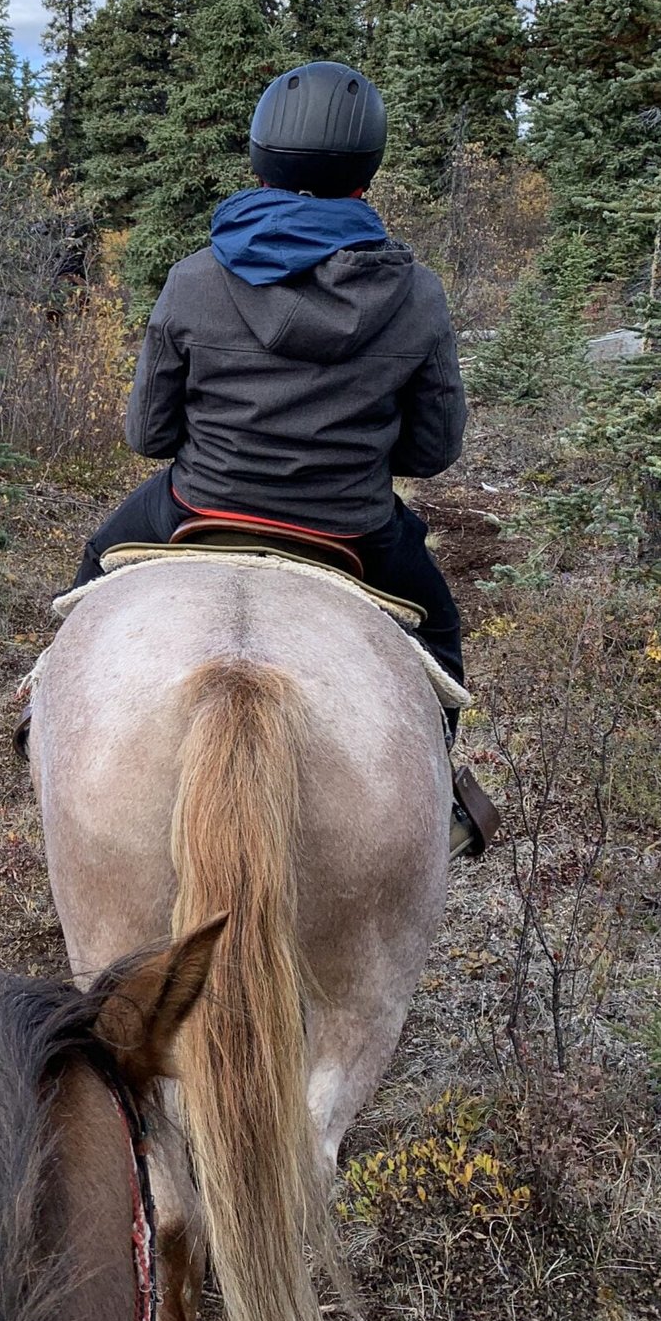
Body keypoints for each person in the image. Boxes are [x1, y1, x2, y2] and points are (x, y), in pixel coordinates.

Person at [71, 59, 497, 853]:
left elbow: (147, 436)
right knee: (439, 624)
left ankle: (40, 713)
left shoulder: (195, 279)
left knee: (94, 563)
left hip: (198, 507)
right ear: (366, 176)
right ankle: (441, 786)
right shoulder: (419, 293)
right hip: (356, 531)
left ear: (261, 162)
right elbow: (434, 450)